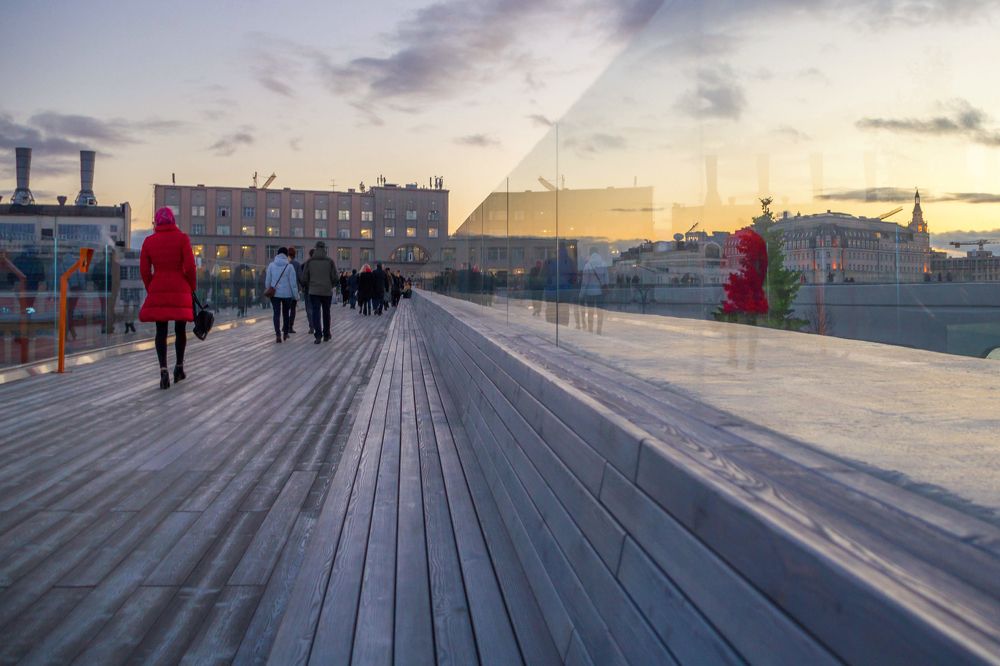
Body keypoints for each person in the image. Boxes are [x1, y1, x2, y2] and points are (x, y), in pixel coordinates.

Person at [139, 207, 197, 389]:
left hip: (159, 287)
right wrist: (191, 286)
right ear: (173, 221)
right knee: (180, 330)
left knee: (161, 331)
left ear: (156, 222)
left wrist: (152, 287)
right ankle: (179, 367)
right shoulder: (182, 239)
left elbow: (144, 270)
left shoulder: (149, 242)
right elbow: (190, 266)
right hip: (180, 287)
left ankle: (163, 370)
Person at [301, 240, 338, 343]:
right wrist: (331, 285)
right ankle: (326, 334)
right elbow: (335, 277)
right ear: (324, 248)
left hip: (314, 291)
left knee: (316, 312)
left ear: (316, 248)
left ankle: (318, 336)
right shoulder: (330, 261)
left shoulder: (310, 262)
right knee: (326, 312)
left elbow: (304, 278)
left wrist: (309, 285)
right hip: (327, 291)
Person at [264, 247, 298, 343]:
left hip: (275, 295)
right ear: (286, 255)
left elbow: (268, 281)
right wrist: (295, 295)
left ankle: (278, 334)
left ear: (277, 254)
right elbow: (293, 283)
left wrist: (268, 288)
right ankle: (285, 333)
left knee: (276, 314)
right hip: (287, 295)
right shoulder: (289, 266)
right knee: (286, 314)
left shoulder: (271, 265)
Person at [579, 247, 608, 334]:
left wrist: (581, 294)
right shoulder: (603, 264)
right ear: (598, 253)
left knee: (590, 312)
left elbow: (585, 282)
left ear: (590, 254)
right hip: (600, 292)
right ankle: (599, 329)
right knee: (600, 312)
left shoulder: (587, 265)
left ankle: (590, 329)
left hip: (589, 293)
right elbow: (606, 280)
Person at [287, 247, 302, 334]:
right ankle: (290, 327)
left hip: (284, 290)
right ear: (294, 255)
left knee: (285, 309)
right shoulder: (296, 264)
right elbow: (300, 277)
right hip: (293, 290)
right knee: (293, 309)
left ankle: (285, 325)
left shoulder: (284, 263)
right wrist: (302, 286)